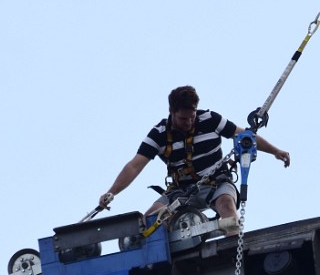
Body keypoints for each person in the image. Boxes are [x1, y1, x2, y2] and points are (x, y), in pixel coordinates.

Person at [99, 86, 290, 234]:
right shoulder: (159, 134)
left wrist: (275, 151)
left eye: (191, 117)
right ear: (171, 112)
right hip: (180, 191)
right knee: (150, 221)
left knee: (227, 207)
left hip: (216, 183)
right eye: (183, 119)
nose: (189, 123)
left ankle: (232, 251)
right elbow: (134, 166)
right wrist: (111, 192)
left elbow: (244, 136)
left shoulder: (209, 119)